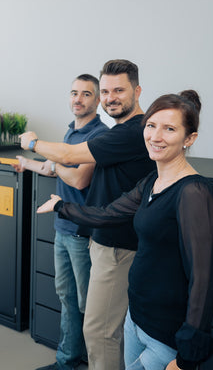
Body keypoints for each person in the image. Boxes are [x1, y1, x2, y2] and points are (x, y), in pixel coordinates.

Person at [37, 90, 213, 370]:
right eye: (151, 125)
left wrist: (186, 357)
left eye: (169, 129)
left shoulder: (194, 192)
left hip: (165, 336)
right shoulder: (152, 181)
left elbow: (203, 279)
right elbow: (109, 214)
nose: (156, 136)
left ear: (189, 139)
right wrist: (63, 206)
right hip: (136, 321)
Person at [21, 60, 156, 370]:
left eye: (118, 90)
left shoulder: (130, 132)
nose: (111, 97)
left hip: (117, 244)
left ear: (137, 91)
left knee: (99, 332)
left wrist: (32, 143)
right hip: (100, 236)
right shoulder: (123, 130)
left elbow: (71, 162)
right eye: (107, 90)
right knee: (102, 327)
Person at [13, 74, 108, 370]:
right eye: (74, 93)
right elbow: (57, 168)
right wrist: (28, 164)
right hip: (62, 227)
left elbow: (79, 179)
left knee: (86, 305)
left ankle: (95, 363)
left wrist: (56, 162)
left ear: (98, 100)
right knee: (66, 297)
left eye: (86, 94)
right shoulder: (69, 133)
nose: (78, 99)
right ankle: (67, 361)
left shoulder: (99, 135)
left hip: (82, 232)